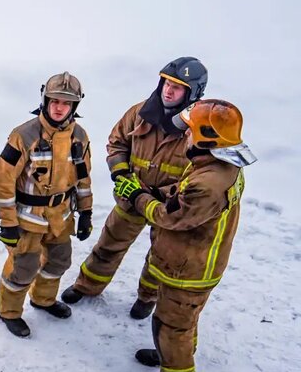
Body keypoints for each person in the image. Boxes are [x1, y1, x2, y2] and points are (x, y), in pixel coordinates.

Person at [113, 99, 255, 372]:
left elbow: (168, 217)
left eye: (190, 130)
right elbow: (183, 194)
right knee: (183, 323)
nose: (185, 135)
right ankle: (169, 354)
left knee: (172, 327)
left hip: (189, 270)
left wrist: (138, 197)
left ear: (207, 137)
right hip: (194, 263)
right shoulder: (218, 164)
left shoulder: (209, 183)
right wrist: (156, 192)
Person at [62, 57, 208, 318]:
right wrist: (121, 174)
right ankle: (87, 285)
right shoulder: (140, 113)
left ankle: (147, 297)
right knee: (109, 244)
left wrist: (161, 195)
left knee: (160, 257)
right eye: (166, 83)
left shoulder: (199, 129)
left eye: (177, 87)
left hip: (166, 207)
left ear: (193, 93)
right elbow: (116, 143)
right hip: (130, 197)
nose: (168, 90)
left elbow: (200, 172)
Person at [0, 73, 93, 337]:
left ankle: (43, 299)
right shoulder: (23, 136)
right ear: (45, 101)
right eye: (55, 101)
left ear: (74, 106)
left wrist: (86, 212)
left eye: (66, 103)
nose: (59, 108)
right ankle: (9, 312)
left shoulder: (79, 137)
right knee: (23, 267)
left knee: (60, 260)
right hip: (28, 218)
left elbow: (83, 178)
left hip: (61, 216)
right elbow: (2, 181)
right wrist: (8, 224)